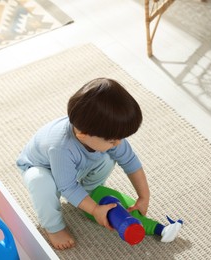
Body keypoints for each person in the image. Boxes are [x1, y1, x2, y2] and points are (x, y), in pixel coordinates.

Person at [16, 78, 182, 250]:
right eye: (112, 140)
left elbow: (130, 161)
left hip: (76, 166)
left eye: (120, 138)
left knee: (108, 157)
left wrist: (143, 196)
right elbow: (67, 187)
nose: (118, 143)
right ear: (83, 135)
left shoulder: (107, 134)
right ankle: (53, 227)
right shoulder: (60, 147)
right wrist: (95, 210)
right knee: (40, 182)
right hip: (44, 168)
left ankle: (90, 191)